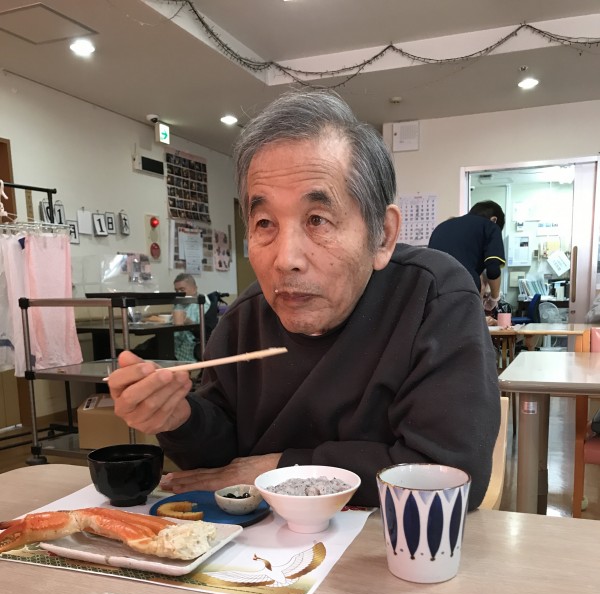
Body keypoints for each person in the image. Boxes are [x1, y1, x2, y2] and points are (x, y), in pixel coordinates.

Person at [107, 90, 500, 509]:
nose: (286, 259)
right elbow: (218, 462)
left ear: (382, 235)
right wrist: (178, 418)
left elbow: (449, 473)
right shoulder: (245, 319)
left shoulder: (433, 298)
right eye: (264, 223)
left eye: (317, 220)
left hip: (388, 542)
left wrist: (279, 470)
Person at [428, 201, 506, 310]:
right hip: (463, 289)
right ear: (494, 220)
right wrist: (494, 298)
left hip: (432, 289)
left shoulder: (442, 226)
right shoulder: (491, 226)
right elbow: (493, 269)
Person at [172, 273, 210, 361]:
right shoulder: (179, 304)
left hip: (192, 343)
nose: (179, 293)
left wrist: (190, 323)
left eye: (182, 290)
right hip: (175, 340)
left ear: (194, 289)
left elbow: (206, 329)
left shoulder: (202, 304)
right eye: (176, 290)